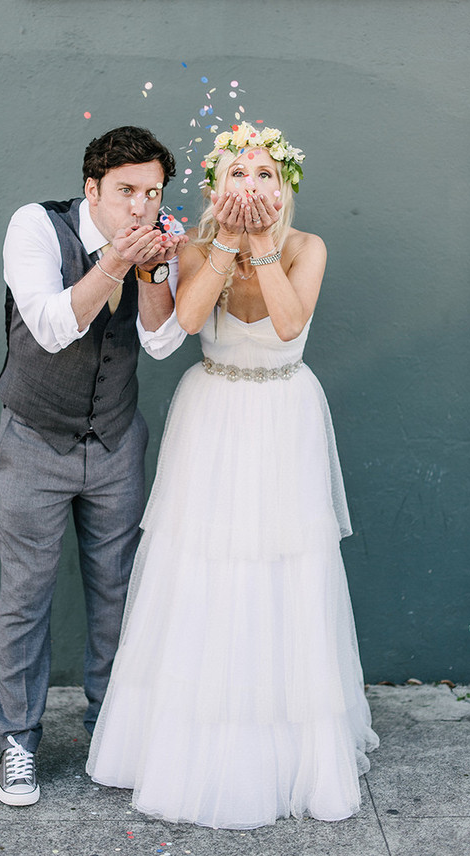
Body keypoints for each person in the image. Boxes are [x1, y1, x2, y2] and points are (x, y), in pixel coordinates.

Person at [86, 121, 379, 828]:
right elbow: (184, 321)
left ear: (285, 187)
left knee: (284, 565)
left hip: (285, 411)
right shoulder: (194, 244)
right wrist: (223, 244)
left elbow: (286, 325)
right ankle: (194, 739)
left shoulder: (309, 248)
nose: (253, 185)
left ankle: (283, 741)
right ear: (218, 187)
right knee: (205, 565)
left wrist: (263, 248)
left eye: (265, 175)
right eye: (238, 174)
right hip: (214, 412)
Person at [0, 126, 188, 806]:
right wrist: (111, 265)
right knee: (26, 596)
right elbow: (49, 326)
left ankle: (111, 727)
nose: (142, 207)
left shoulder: (157, 239)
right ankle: (18, 741)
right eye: (128, 192)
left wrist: (156, 272)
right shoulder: (36, 227)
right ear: (93, 188)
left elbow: (161, 342)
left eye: (153, 193)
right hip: (34, 440)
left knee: (118, 593)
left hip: (114, 440)